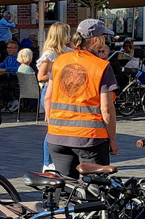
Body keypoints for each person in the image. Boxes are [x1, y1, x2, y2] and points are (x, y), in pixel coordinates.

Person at [45, 19, 118, 178]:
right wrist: (112, 139)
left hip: (57, 136)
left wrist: (53, 126)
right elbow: (107, 109)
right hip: (90, 138)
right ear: (95, 40)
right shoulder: (102, 66)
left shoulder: (59, 61)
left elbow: (48, 98)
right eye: (103, 37)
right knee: (94, 191)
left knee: (67, 189)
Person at [36, 21, 72, 171]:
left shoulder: (69, 51)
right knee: (53, 128)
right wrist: (59, 75)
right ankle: (47, 162)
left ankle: (61, 158)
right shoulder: (50, 54)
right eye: (68, 33)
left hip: (65, 92)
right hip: (51, 91)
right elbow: (41, 76)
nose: (70, 36)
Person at [0, 40, 21, 112]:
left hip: (18, 79)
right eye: (8, 48)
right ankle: (8, 103)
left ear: (16, 49)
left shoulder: (19, 57)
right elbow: (0, 66)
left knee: (3, 87)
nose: (9, 49)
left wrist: (5, 69)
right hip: (9, 78)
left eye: (11, 48)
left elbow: (18, 68)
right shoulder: (8, 58)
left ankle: (14, 101)